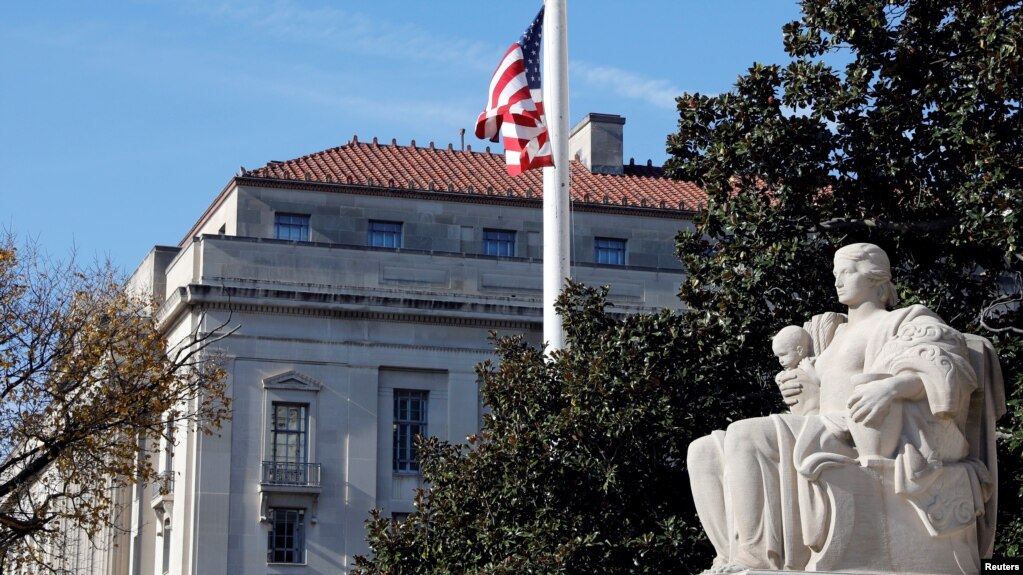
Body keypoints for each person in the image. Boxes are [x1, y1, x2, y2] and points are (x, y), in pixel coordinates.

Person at [687, 243, 985, 573]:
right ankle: (728, 556)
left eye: (847, 271)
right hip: (821, 424)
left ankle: (756, 559)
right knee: (702, 451)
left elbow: (947, 370)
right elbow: (818, 397)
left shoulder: (903, 321)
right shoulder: (832, 334)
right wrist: (799, 390)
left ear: (876, 276)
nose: (838, 280)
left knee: (745, 435)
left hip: (858, 430)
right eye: (835, 274)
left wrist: (890, 387)